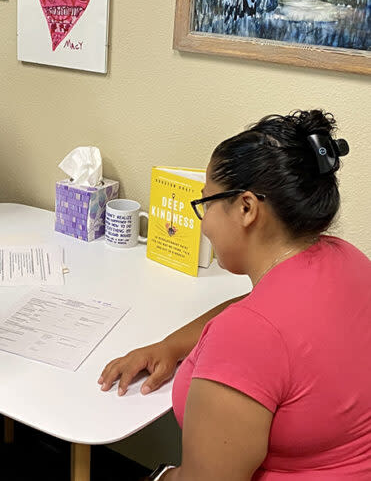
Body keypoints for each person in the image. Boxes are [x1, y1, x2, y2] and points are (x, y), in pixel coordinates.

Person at [99, 110, 371, 480]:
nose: (205, 221)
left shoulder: (248, 335)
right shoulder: (346, 257)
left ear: (246, 208)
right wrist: (170, 346)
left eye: (206, 203)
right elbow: (254, 309)